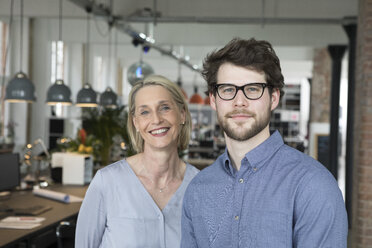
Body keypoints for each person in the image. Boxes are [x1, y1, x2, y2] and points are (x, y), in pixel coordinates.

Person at [181, 38, 348, 247]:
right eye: (227, 89)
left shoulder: (314, 186)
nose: (239, 101)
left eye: (252, 89)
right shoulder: (198, 189)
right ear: (214, 100)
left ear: (274, 98)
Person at [75, 75, 199, 247]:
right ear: (136, 123)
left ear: (182, 115)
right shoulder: (107, 182)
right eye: (145, 112)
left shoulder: (200, 186)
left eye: (164, 108)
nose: (156, 119)